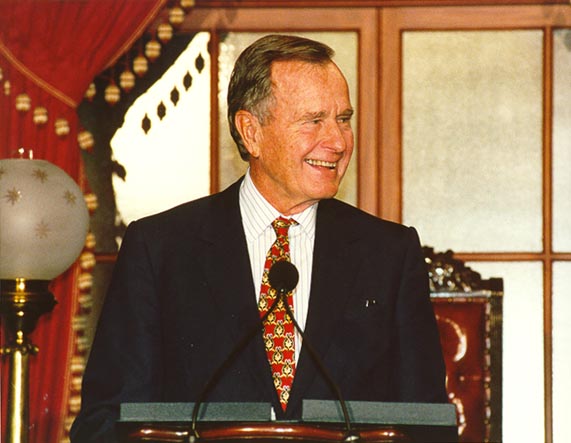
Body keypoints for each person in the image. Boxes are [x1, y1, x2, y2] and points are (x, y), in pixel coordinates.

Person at [71, 34, 447, 442]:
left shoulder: (389, 253)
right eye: (313, 120)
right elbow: (106, 422)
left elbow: (427, 424)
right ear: (250, 132)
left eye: (343, 118)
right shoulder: (159, 249)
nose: (338, 142)